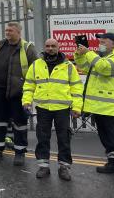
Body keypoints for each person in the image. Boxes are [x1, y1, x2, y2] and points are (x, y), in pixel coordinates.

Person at [22, 39, 82, 181]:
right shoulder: (37, 65)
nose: (50, 48)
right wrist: (26, 101)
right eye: (47, 46)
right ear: (44, 47)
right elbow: (29, 85)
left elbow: (77, 88)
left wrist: (77, 106)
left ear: (58, 47)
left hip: (62, 108)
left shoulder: (68, 66)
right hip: (43, 107)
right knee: (42, 137)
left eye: (53, 46)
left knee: (64, 138)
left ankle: (64, 167)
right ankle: (43, 166)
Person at [74, 32, 114, 181]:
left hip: (112, 107)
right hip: (99, 107)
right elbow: (84, 67)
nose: (101, 44)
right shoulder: (100, 57)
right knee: (106, 138)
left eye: (105, 42)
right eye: (100, 41)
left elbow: (103, 68)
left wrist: (89, 53)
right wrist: (80, 54)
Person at [0, 22, 38, 166]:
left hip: (18, 92)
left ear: (18, 32)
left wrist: (28, 92)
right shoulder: (1, 46)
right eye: (6, 30)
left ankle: (19, 153)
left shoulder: (27, 48)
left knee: (19, 124)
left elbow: (36, 70)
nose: (7, 33)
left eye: (10, 30)